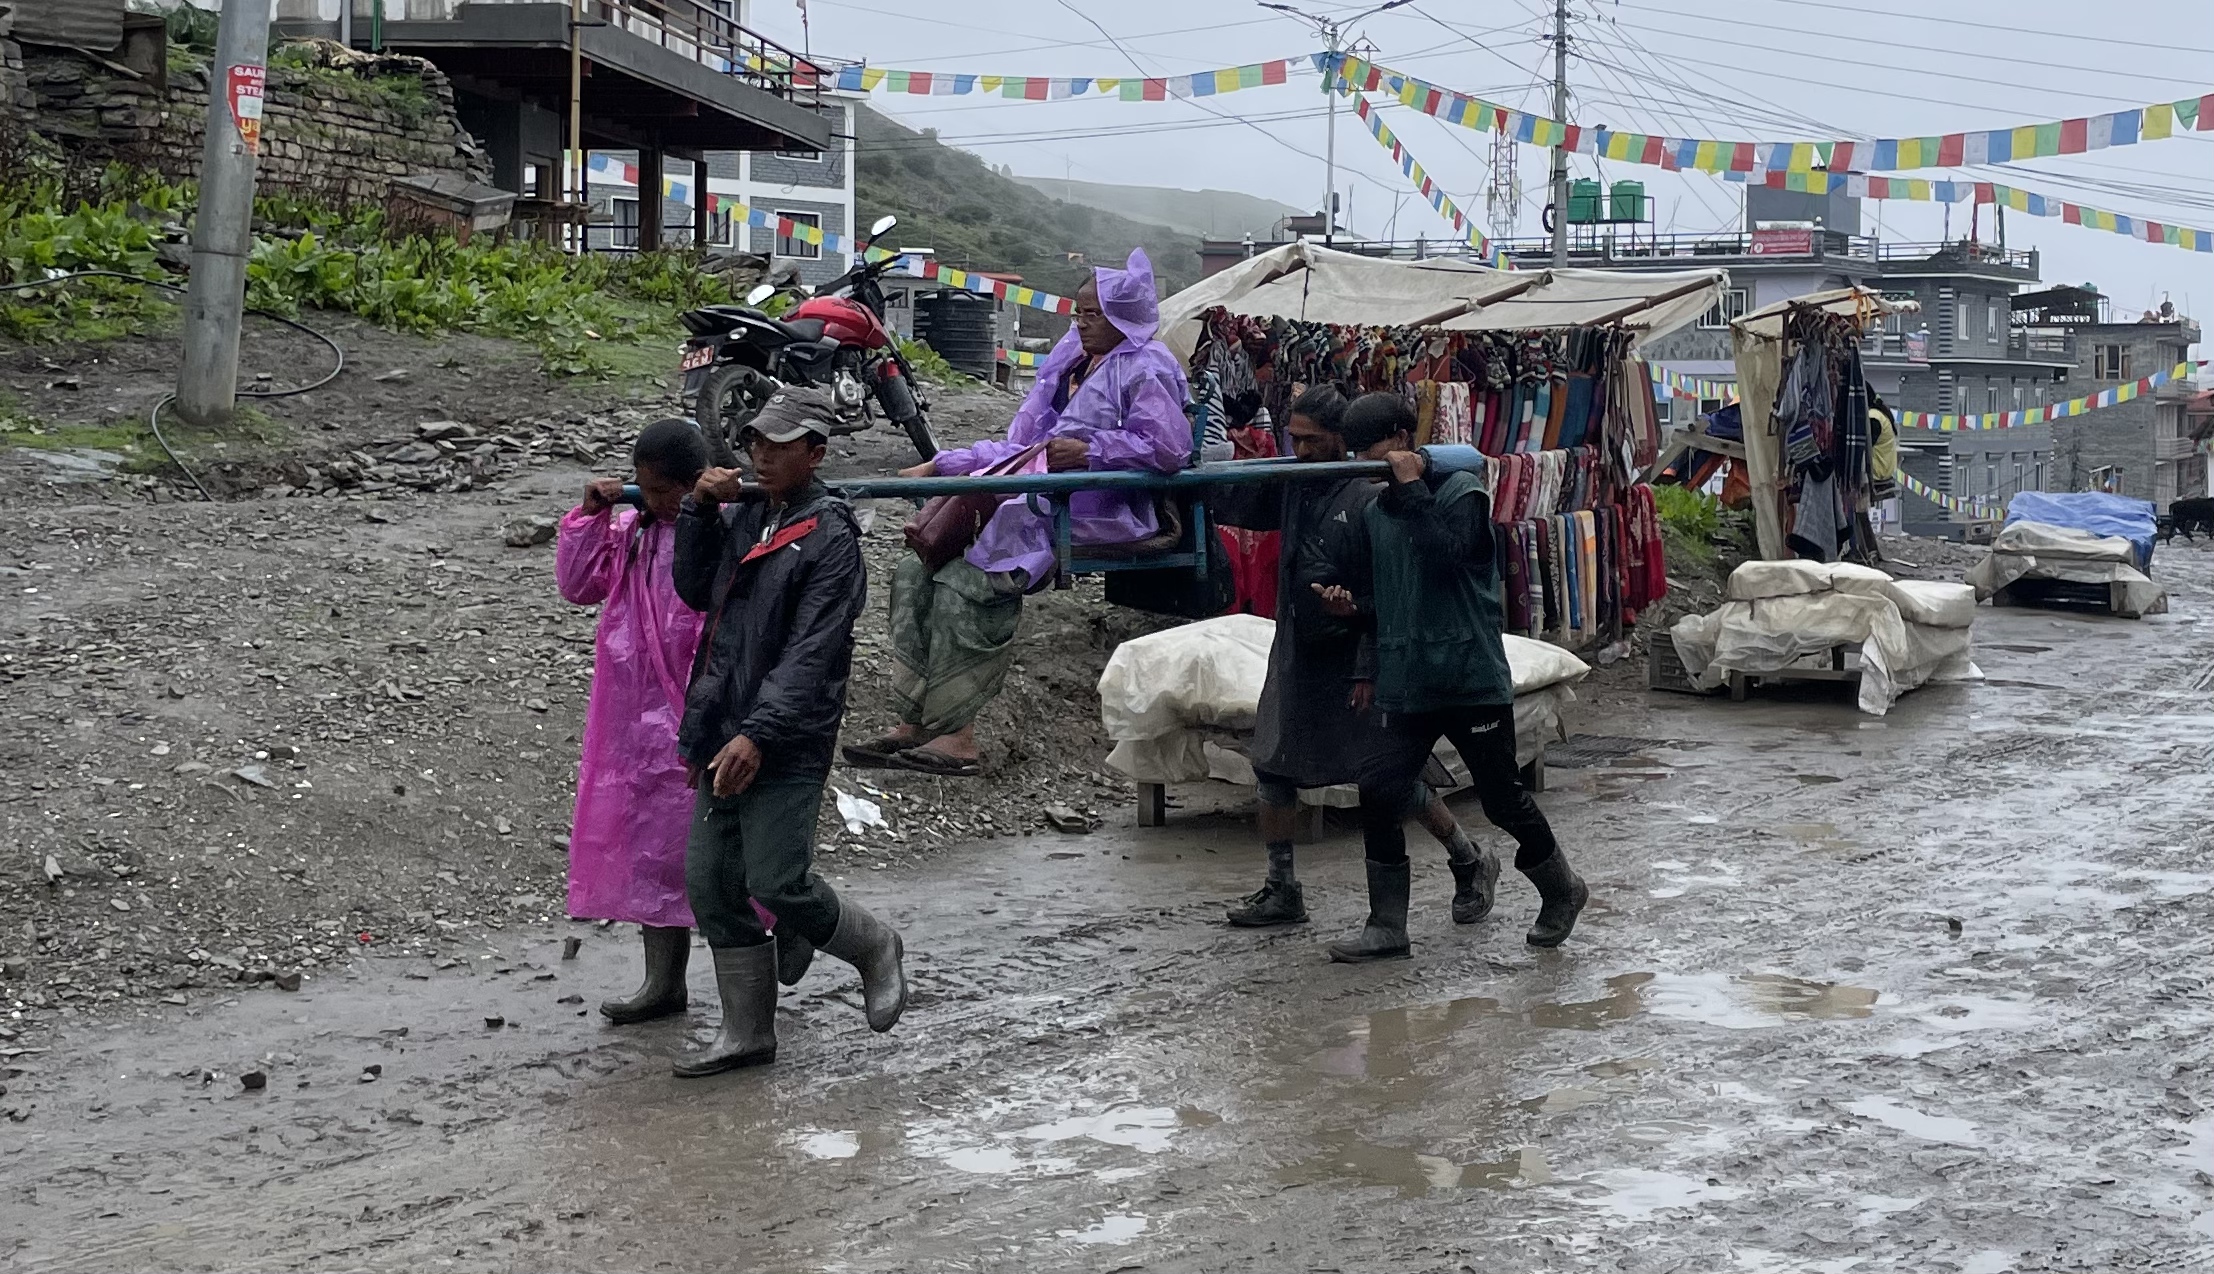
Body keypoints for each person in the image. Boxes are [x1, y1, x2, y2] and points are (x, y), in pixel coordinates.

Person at [845, 247, 1191, 778]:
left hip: (1098, 508)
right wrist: (944, 463)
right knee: (915, 574)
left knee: (969, 585)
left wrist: (1092, 451)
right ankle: (915, 721)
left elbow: (1168, 448)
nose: (1081, 323)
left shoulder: (1147, 368)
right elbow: (1023, 448)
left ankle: (958, 736)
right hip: (1031, 501)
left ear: (1125, 316)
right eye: (1078, 313)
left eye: (1094, 314)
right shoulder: (1071, 365)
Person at [669, 387, 907, 1076]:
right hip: (723, 721)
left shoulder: (831, 538)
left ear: (816, 453)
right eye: (755, 442)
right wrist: (697, 513)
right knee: (710, 882)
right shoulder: (750, 515)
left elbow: (812, 654)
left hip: (788, 734)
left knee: (776, 879)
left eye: (779, 445)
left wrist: (759, 734)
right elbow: (697, 593)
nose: (761, 456)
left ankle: (872, 945)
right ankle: (747, 1032)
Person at [1213, 386, 1500, 929]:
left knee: (1393, 779)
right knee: (1271, 766)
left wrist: (1368, 668)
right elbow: (1240, 504)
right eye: (1293, 439)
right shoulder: (1295, 484)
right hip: (1298, 649)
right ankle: (1282, 887)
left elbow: (1386, 591)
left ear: (1340, 439)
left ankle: (1468, 859)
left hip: (1355, 656)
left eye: (1311, 441)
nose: (1300, 450)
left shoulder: (1372, 495)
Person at [1320, 392, 1589, 962]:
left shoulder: (1463, 493)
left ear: (1401, 440)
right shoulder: (1375, 514)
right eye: (1354, 452)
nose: (1361, 461)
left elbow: (1448, 558)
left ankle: (1562, 888)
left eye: (1370, 449)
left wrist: (1412, 488)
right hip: (1408, 681)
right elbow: (1394, 598)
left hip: (1468, 676)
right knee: (1380, 790)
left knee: (1502, 800)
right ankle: (1387, 926)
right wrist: (1353, 609)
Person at [559, 420, 812, 1024]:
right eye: (641, 488)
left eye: (658, 489)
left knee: (726, 844)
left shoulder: (725, 526)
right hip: (632, 715)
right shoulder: (633, 530)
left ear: (688, 484)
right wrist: (588, 518)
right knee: (648, 848)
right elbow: (578, 585)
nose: (648, 499)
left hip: (701, 711)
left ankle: (788, 925)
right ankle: (663, 983)